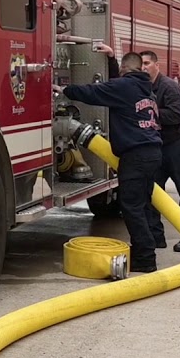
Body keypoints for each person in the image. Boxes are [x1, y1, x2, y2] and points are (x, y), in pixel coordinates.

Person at [53, 49, 163, 273]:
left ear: (124, 69)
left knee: (131, 206)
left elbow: (95, 92)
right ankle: (148, 247)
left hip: (136, 156)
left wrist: (65, 89)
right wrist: (112, 60)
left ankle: (145, 258)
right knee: (142, 204)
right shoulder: (145, 89)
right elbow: (115, 88)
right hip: (152, 152)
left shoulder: (124, 87)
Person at [133, 49, 180, 253]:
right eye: (141, 65)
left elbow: (176, 115)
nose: (144, 68)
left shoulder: (169, 86)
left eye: (147, 64)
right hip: (157, 147)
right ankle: (156, 237)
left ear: (156, 66)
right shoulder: (141, 88)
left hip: (177, 146)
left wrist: (150, 111)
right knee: (154, 193)